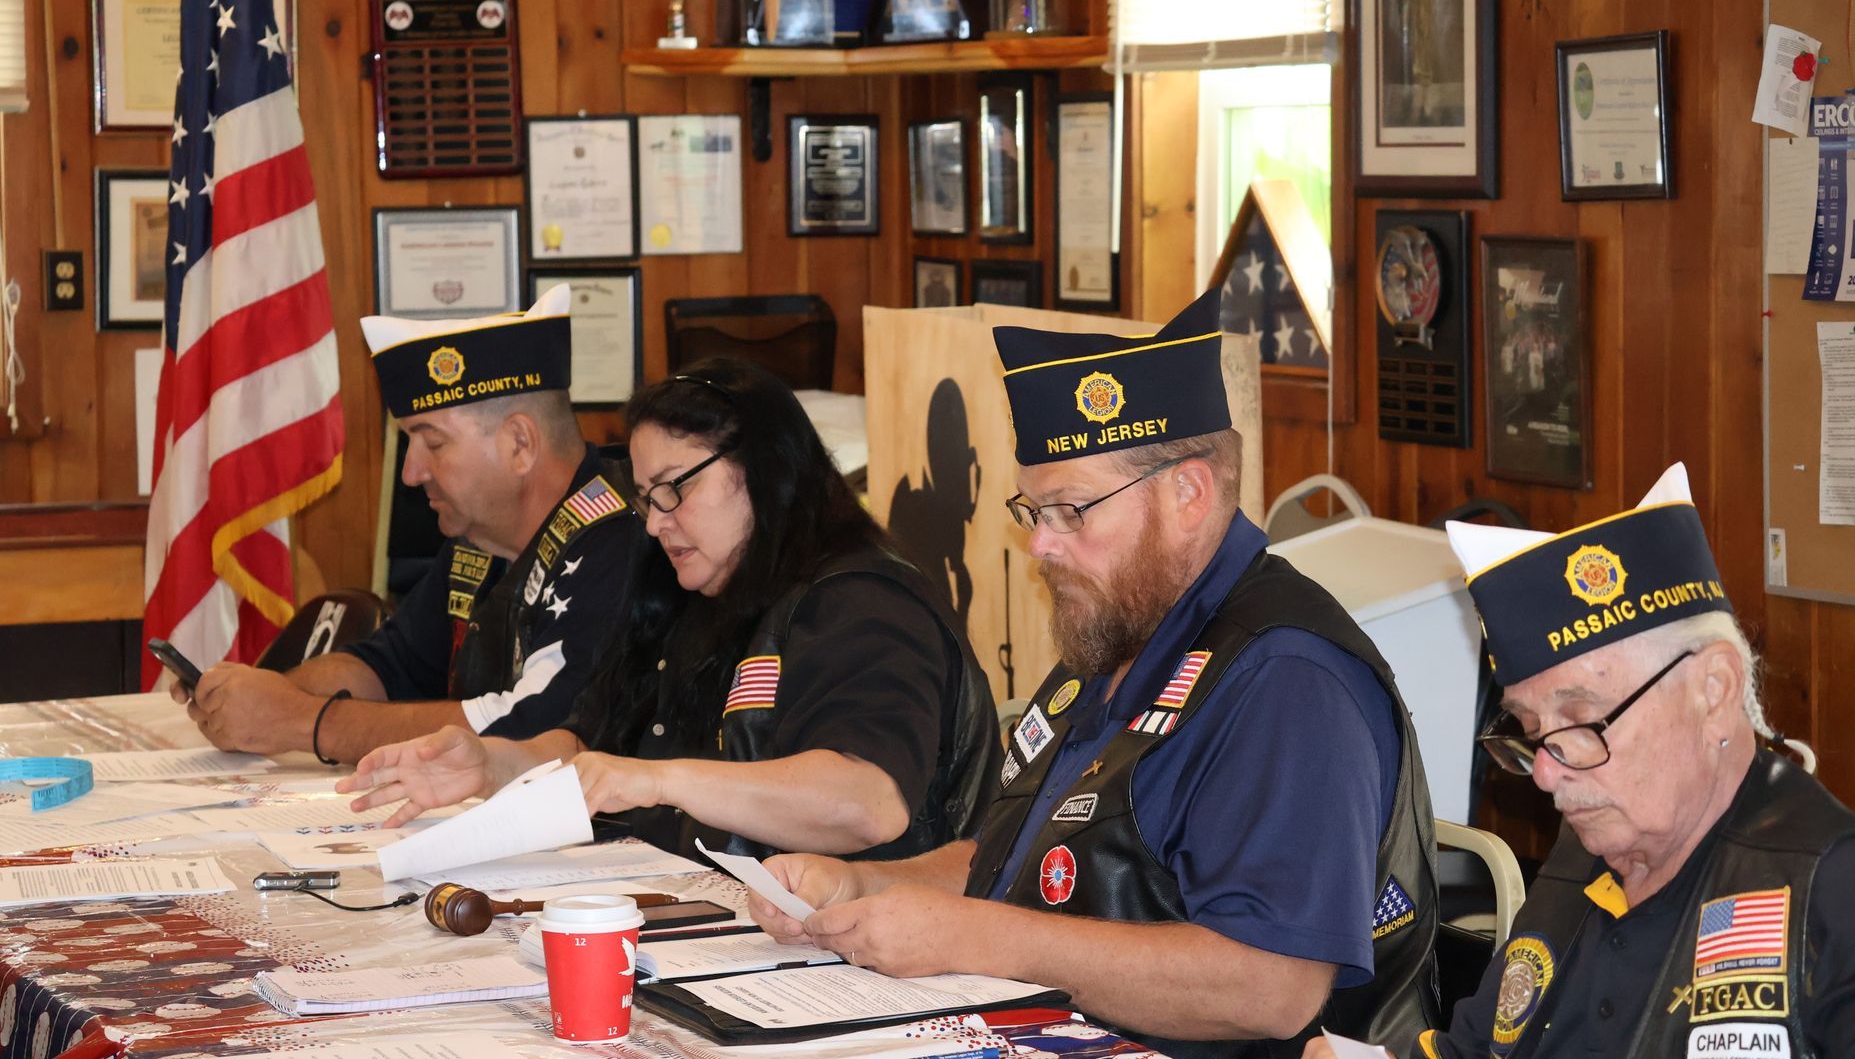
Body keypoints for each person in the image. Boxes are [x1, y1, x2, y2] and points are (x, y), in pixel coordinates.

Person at [749, 290, 1441, 1058]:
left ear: (1189, 494)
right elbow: (1017, 862)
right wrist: (867, 889)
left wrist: (979, 939)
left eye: (1072, 511)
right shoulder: (1115, 636)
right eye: (1034, 511)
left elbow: (1273, 988)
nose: (1041, 547)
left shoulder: (1287, 679)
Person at [1303, 464, 1855, 1059]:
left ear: (1714, 690)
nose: (1546, 771)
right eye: (1530, 729)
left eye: (1581, 719)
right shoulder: (1588, 857)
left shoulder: (1844, 885)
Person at [340, 359, 1001, 861]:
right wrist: (494, 765)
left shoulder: (863, 605)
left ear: (767, 470)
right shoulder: (693, 587)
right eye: (645, 496)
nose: (655, 525)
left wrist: (661, 781)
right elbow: (592, 746)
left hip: (869, 962)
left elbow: (868, 803)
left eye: (675, 489)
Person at [168, 286, 646, 767]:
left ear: (519, 443)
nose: (410, 473)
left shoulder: (617, 539)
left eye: (432, 443)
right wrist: (256, 698)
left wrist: (299, 722)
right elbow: (390, 665)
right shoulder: (478, 543)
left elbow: (531, 730)